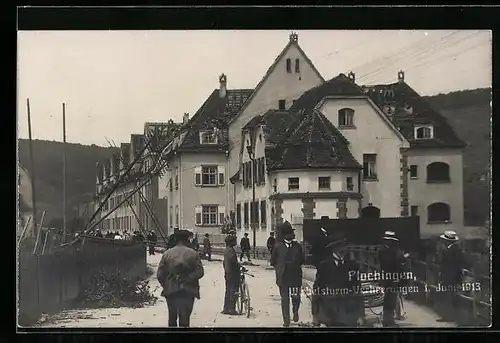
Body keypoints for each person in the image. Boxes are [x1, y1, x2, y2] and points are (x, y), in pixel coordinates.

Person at [311, 230, 364, 327]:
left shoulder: (352, 265)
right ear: (334, 248)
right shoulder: (324, 265)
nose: (345, 248)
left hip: (349, 312)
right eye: (341, 245)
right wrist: (315, 314)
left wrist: (361, 314)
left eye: (345, 245)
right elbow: (317, 289)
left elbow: (358, 290)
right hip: (330, 312)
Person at [157, 230, 204, 327]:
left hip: (171, 290)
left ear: (176, 239)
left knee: (172, 317)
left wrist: (166, 285)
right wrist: (188, 279)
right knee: (185, 318)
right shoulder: (193, 253)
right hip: (188, 290)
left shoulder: (167, 254)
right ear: (187, 239)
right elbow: (200, 272)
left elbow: (160, 274)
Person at [270, 221, 304, 327]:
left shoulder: (297, 246)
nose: (291, 236)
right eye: (288, 234)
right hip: (283, 276)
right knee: (284, 299)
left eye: (291, 234)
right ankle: (286, 320)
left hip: (295, 276)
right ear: (284, 235)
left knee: (296, 297)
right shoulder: (277, 246)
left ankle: (295, 311)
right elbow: (272, 261)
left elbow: (302, 259)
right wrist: (279, 268)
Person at [435, 230, 467, 323]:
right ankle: (447, 315)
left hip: (451, 277)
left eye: (444, 240)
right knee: (446, 296)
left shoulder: (454, 250)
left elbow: (457, 263)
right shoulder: (449, 249)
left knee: (448, 296)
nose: (442, 241)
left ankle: (449, 316)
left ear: (447, 241)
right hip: (448, 276)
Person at [378, 231, 406, 327]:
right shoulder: (383, 251)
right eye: (389, 241)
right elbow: (387, 263)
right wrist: (399, 258)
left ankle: (389, 319)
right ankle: (387, 320)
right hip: (388, 277)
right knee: (389, 299)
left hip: (393, 277)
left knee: (392, 299)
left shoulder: (393, 250)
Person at [222, 234, 241, 315]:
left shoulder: (226, 250)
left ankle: (226, 308)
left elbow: (224, 262)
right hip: (233, 273)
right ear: (231, 242)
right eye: (235, 240)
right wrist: (240, 265)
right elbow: (234, 262)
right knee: (234, 291)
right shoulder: (231, 251)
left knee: (228, 291)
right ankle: (231, 309)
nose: (236, 241)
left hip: (227, 273)